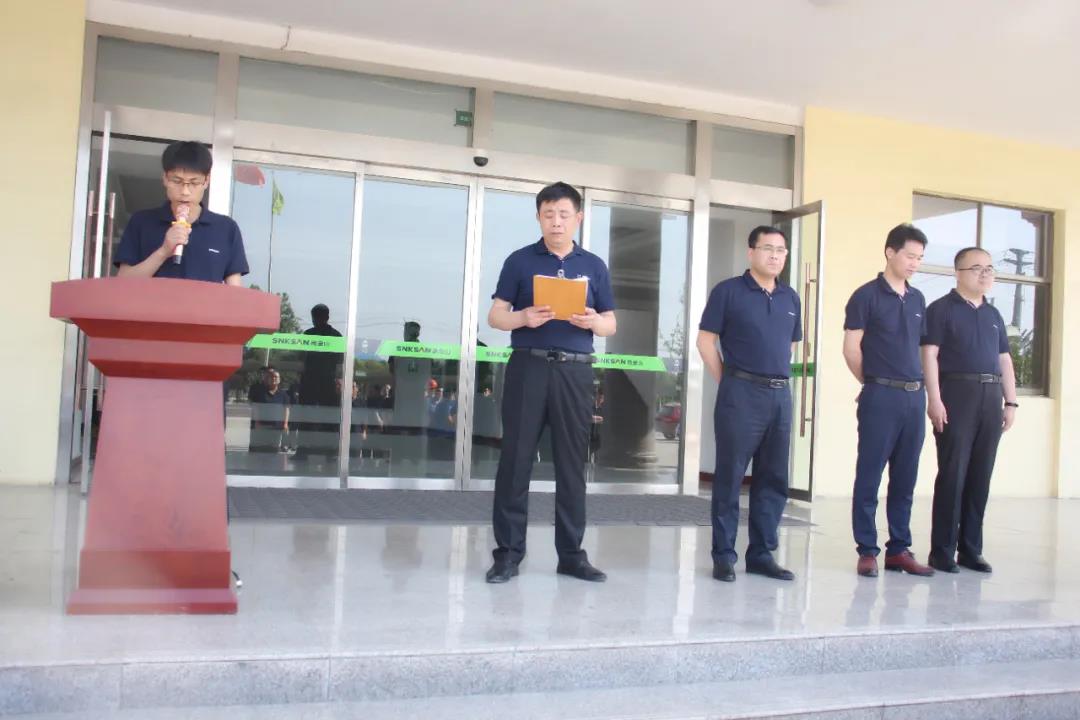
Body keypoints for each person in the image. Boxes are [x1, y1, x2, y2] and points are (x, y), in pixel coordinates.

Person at [485, 182, 616, 584]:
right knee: (516, 461)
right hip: (529, 367)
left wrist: (593, 321)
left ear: (578, 218)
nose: (556, 222)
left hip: (575, 372)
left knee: (572, 464)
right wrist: (523, 317)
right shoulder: (520, 261)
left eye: (563, 214)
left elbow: (611, 323)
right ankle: (508, 555)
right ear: (539, 217)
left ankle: (572, 555)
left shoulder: (593, 265)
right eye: (548, 214)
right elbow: (496, 316)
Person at [696, 226, 800, 582]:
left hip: (780, 395)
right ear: (751, 252)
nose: (775, 256)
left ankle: (762, 554)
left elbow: (790, 345)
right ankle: (724, 555)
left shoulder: (790, 298)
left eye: (781, 250)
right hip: (741, 393)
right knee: (730, 477)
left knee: (773, 477)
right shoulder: (728, 292)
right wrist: (728, 381)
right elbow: (705, 341)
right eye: (767, 248)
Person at [842, 224, 935, 578]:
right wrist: (873, 382)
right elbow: (851, 349)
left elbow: (922, 350)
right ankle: (867, 550)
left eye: (920, 258)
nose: (915, 263)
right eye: (910, 256)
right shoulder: (865, 296)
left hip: (914, 397)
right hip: (880, 395)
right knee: (870, 474)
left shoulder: (918, 299)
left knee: (905, 476)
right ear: (890, 252)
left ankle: (899, 549)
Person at [922, 247, 1018, 574]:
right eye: (977, 268)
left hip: (991, 396)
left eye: (989, 268)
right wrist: (934, 399)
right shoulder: (940, 309)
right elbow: (929, 355)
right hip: (956, 394)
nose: (985, 274)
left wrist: (1011, 401)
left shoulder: (993, 315)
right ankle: (942, 551)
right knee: (953, 473)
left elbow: (1005, 360)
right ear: (958, 272)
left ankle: (971, 550)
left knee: (981, 474)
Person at [114, 141, 248, 284]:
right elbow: (123, 282)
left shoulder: (226, 228)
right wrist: (164, 251)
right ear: (165, 178)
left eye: (194, 183)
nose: (185, 191)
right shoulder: (141, 222)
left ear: (206, 181)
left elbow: (234, 290)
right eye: (177, 181)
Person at [295, 304, 342, 460]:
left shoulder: (313, 334)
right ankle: (327, 452)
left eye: (316, 317)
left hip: (319, 382)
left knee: (314, 418)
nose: (315, 320)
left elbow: (301, 360)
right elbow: (340, 363)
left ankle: (307, 451)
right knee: (323, 418)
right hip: (320, 382)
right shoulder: (335, 336)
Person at [248, 367, 290, 453]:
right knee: (258, 450)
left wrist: (285, 424)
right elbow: (255, 407)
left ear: (279, 380)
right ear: (268, 379)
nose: (274, 378)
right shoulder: (260, 392)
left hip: (276, 426)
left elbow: (286, 409)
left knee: (273, 450)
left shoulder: (283, 394)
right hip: (261, 425)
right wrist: (257, 421)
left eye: (276, 377)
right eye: (271, 377)